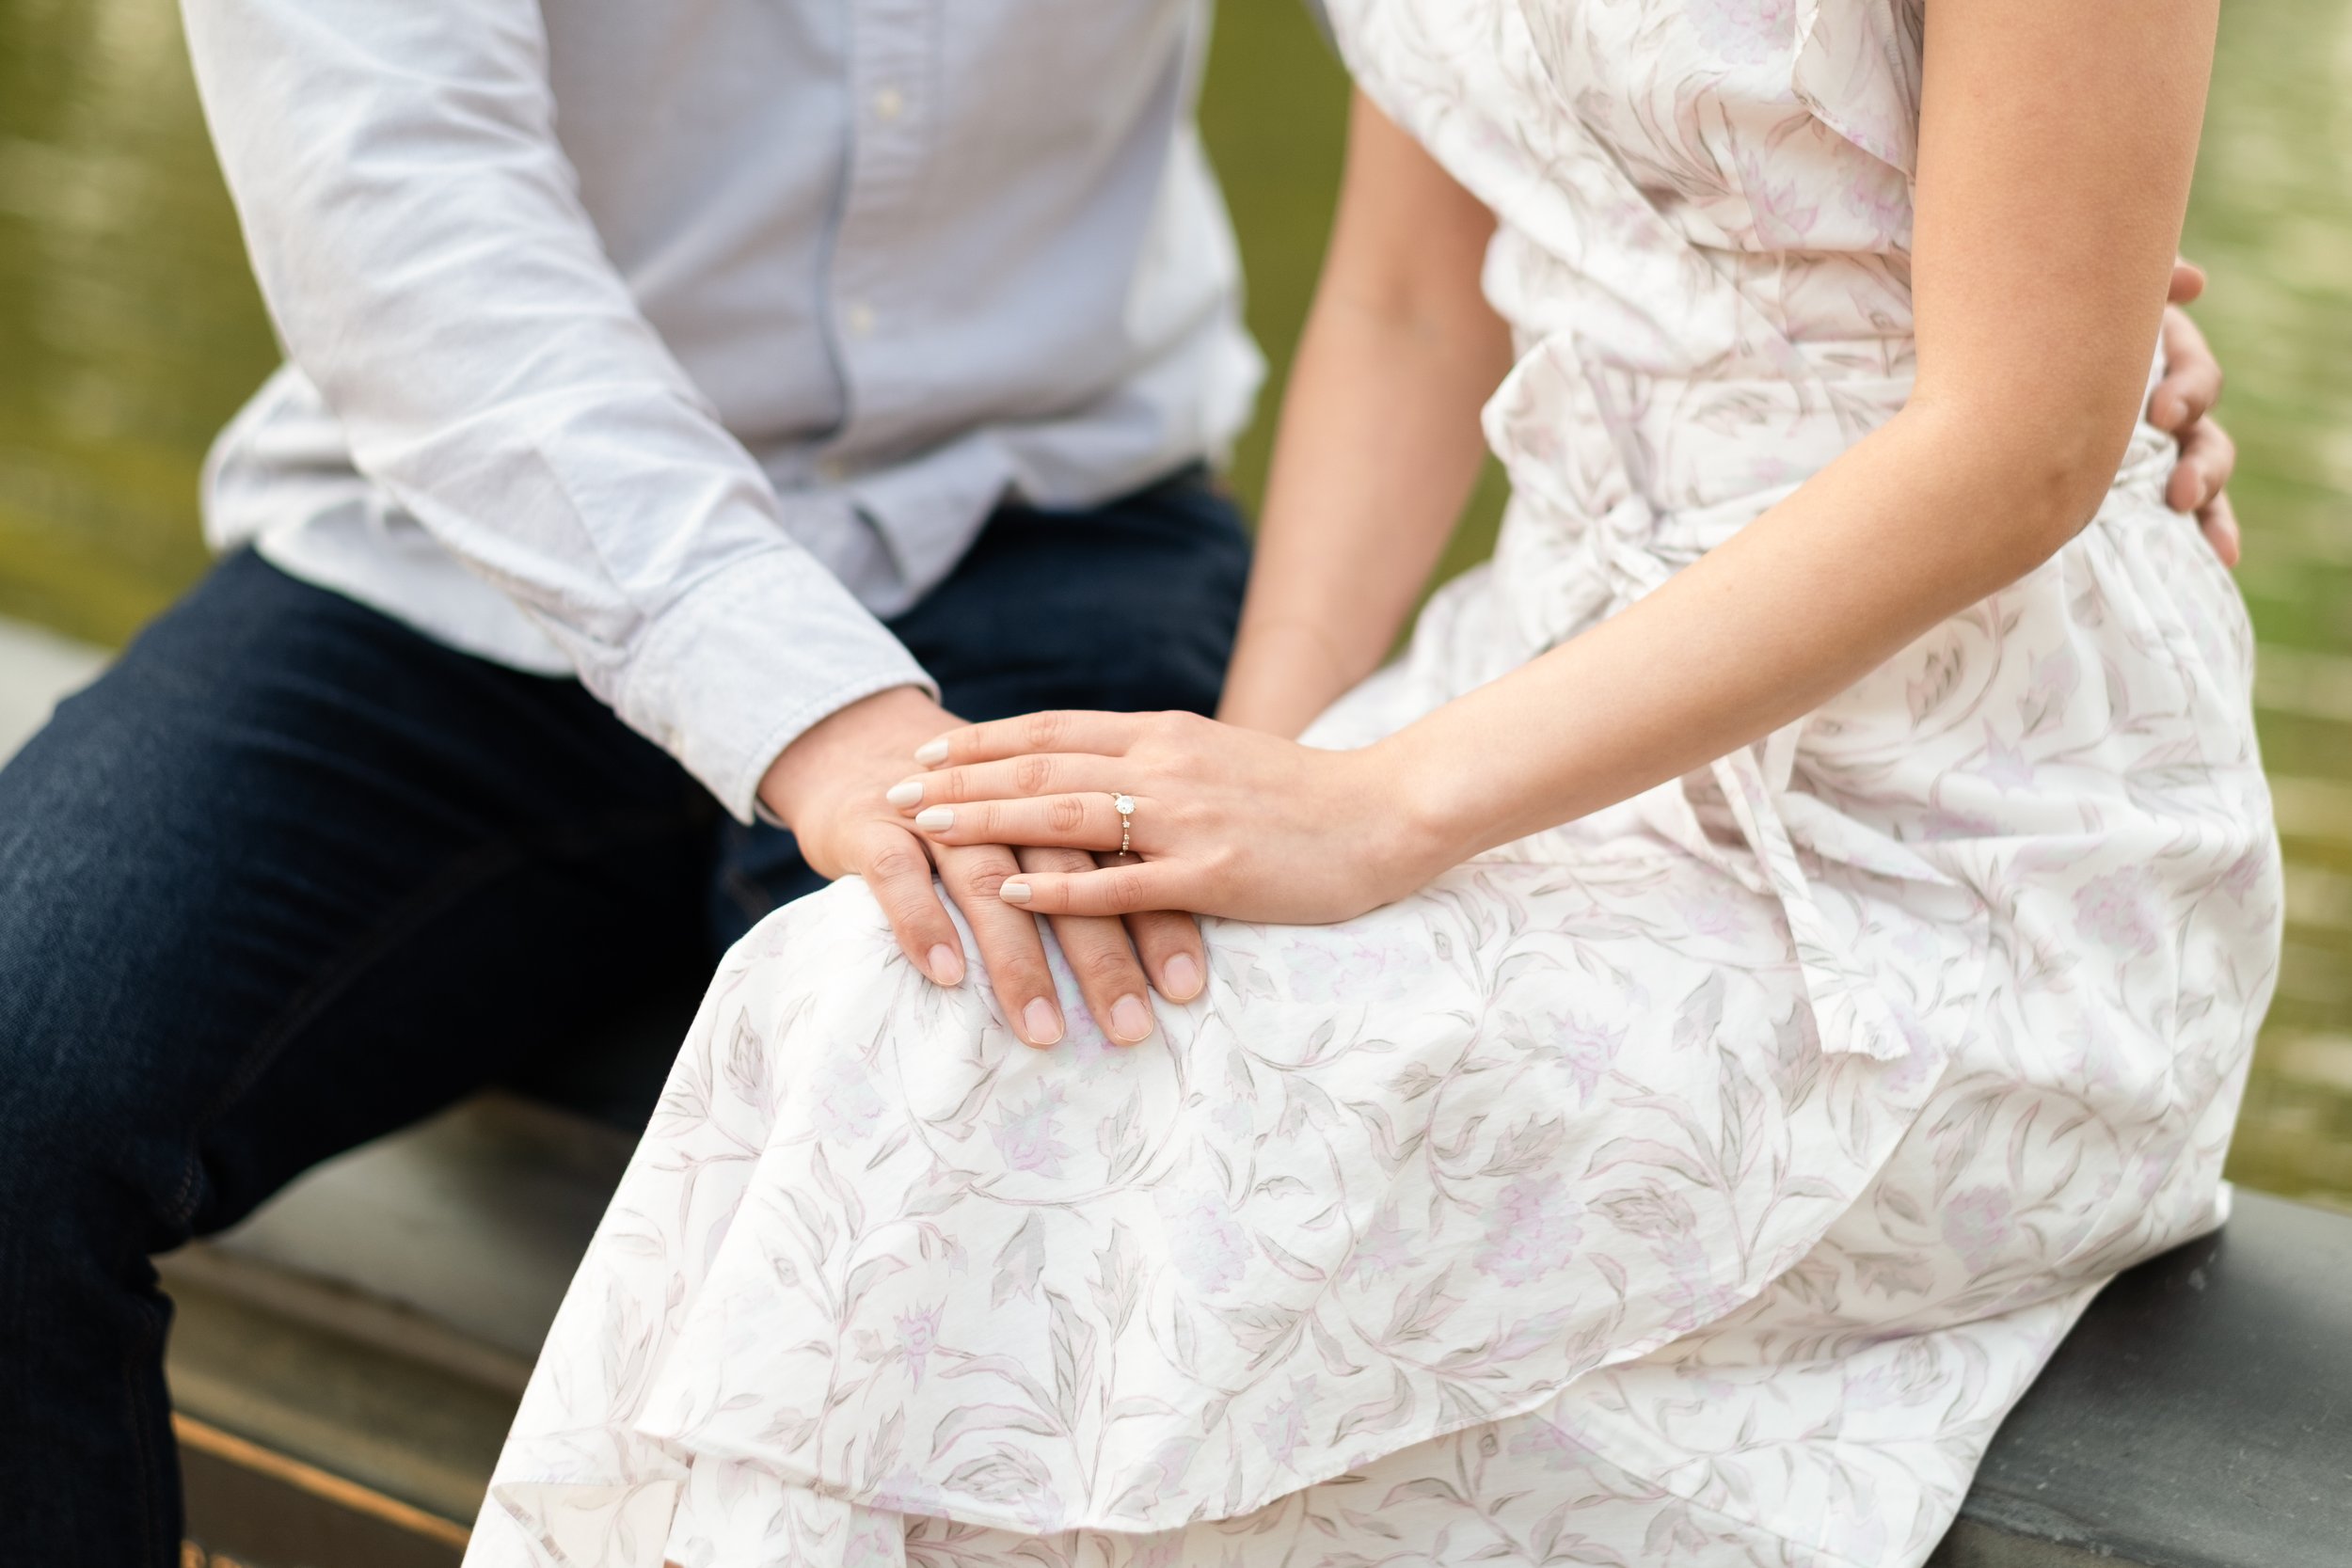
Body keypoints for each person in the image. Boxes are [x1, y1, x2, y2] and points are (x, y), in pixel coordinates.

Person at [0, 2, 2236, 1564]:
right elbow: (410, 232)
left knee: (990, 1067)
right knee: (21, 1070)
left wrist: (1994, 302)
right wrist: (830, 729)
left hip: (1039, 532)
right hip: (463, 564)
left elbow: (1831, 231)